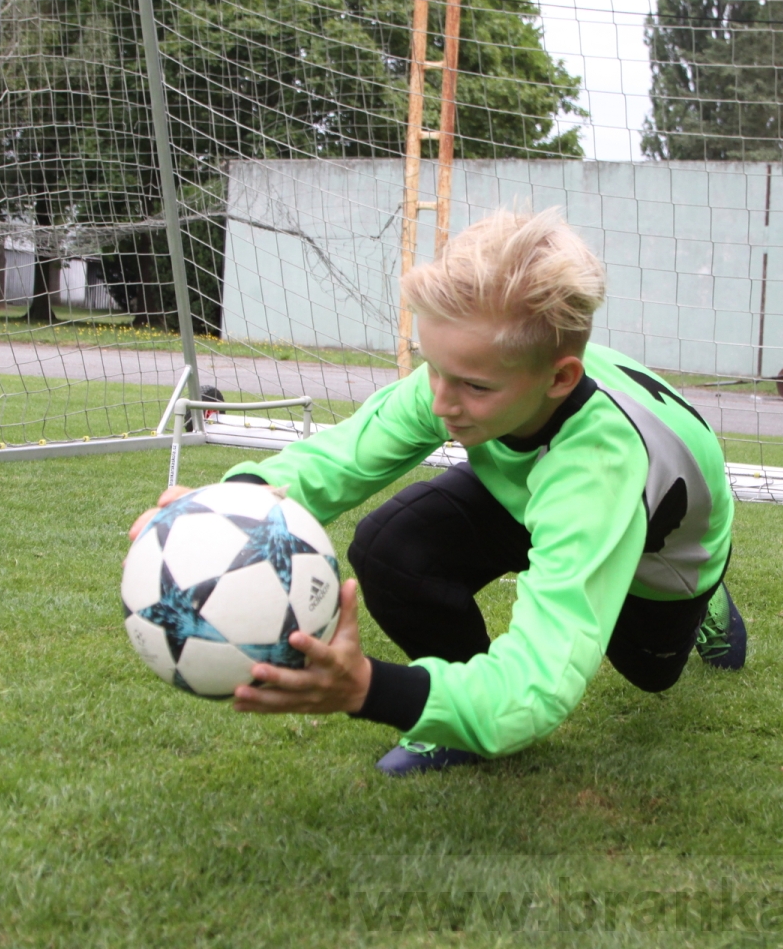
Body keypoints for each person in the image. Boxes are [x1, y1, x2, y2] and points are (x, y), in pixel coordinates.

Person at [129, 209, 744, 776]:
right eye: (432, 366)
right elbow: (339, 457)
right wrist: (230, 502)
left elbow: (539, 684)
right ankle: (457, 724)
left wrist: (369, 688)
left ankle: (710, 600)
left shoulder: (597, 470)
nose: (441, 401)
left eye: (473, 386)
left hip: (657, 554)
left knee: (649, 674)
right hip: (524, 490)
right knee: (391, 549)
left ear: (560, 378)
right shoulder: (475, 375)